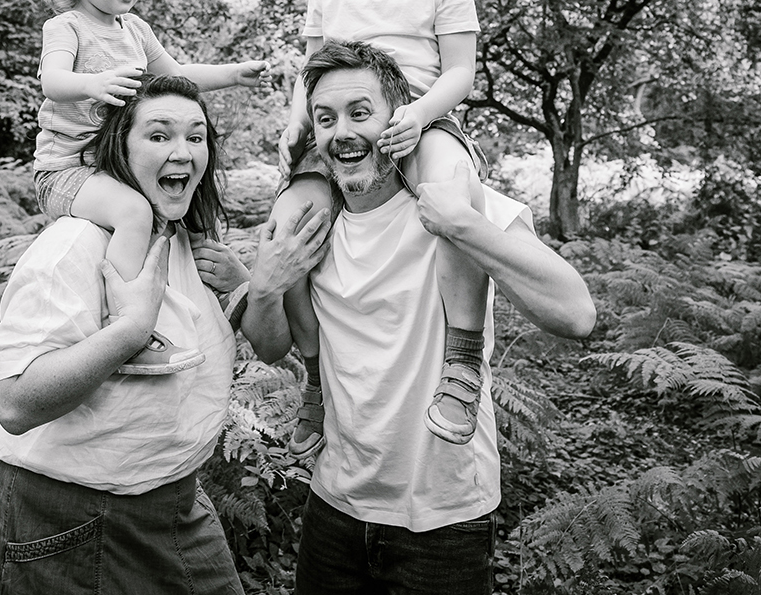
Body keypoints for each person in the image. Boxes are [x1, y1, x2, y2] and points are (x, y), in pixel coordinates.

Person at [243, 41, 596, 594]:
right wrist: (264, 288)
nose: (343, 132)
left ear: (398, 119)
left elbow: (576, 315)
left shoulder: (451, 199)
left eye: (361, 113)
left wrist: (464, 226)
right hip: (333, 505)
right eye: (327, 118)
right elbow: (269, 346)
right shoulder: (312, 221)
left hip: (444, 521)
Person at [0, 75, 312, 595]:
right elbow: (15, 405)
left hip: (170, 501)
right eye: (159, 135)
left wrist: (259, 287)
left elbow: (271, 345)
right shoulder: (76, 245)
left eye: (196, 137)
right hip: (61, 511)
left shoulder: (188, 243)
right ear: (118, 150)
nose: (183, 151)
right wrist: (129, 331)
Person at [269, 0, 492, 456]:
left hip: (416, 121)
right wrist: (297, 123)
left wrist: (418, 117)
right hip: (337, 126)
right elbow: (310, 75)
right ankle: (314, 376)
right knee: (289, 227)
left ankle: (462, 362)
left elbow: (459, 73)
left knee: (454, 196)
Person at [34, 0, 268, 375]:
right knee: (135, 211)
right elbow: (51, 78)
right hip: (65, 170)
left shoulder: (135, 30)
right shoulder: (67, 28)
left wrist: (232, 75)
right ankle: (124, 325)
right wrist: (91, 84)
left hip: (113, 164)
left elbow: (177, 75)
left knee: (195, 203)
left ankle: (219, 299)